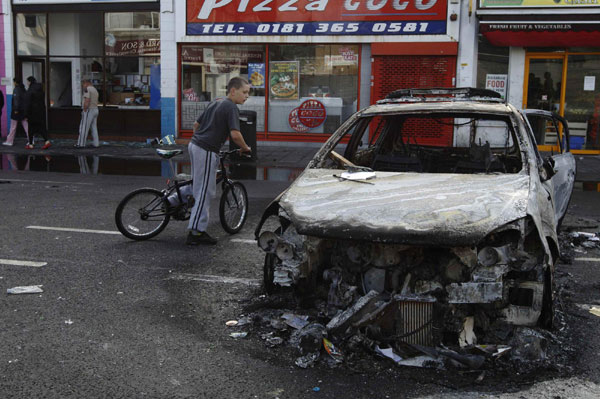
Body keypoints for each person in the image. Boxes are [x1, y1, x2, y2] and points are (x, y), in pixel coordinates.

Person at [186, 76, 252, 245]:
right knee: (204, 192)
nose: (247, 96)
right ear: (233, 91)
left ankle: (171, 201)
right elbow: (235, 135)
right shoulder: (231, 107)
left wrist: (204, 138)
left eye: (248, 93)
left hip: (195, 145)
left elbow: (196, 125)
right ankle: (196, 232)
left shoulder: (216, 101)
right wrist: (245, 148)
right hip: (206, 150)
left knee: (196, 185)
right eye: (244, 92)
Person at [25, 76, 51, 149]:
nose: (27, 83)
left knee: (30, 129)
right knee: (41, 127)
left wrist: (26, 114)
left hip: (32, 113)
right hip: (40, 112)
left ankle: (30, 144)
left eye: (27, 81)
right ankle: (47, 141)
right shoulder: (40, 89)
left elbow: (28, 103)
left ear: (30, 82)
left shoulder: (30, 90)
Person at [2, 77, 29, 147]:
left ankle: (9, 141)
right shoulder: (23, 89)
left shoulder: (16, 89)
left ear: (15, 82)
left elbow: (16, 100)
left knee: (13, 127)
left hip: (17, 111)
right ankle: (31, 140)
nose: (13, 83)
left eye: (14, 82)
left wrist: (16, 109)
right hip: (23, 111)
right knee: (26, 126)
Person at [75, 79, 99, 148]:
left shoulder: (88, 89)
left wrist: (85, 109)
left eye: (83, 84)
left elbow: (87, 100)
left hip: (89, 110)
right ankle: (96, 143)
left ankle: (81, 144)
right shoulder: (95, 89)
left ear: (86, 83)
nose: (83, 86)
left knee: (83, 127)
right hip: (95, 109)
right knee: (94, 127)